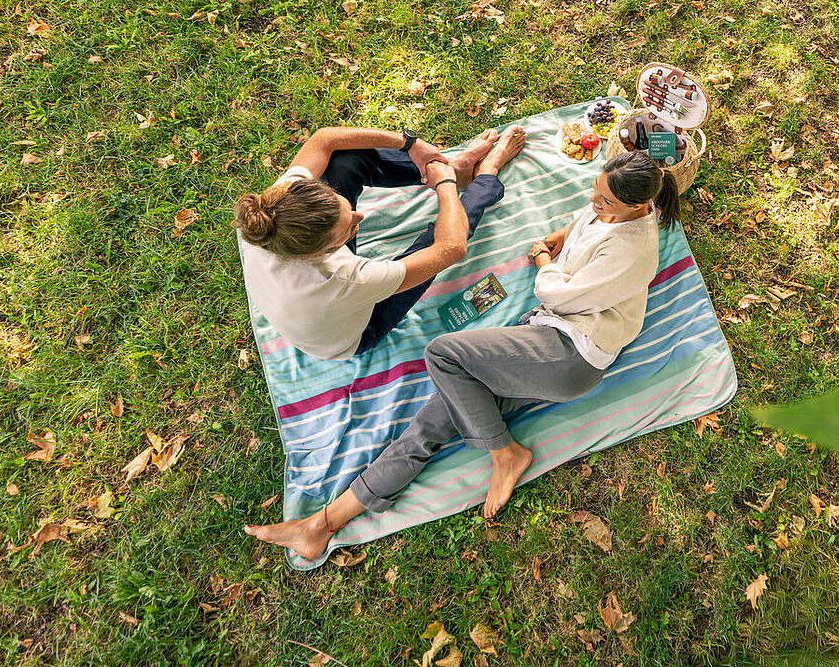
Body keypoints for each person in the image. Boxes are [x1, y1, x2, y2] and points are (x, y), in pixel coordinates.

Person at [245, 151, 682, 559]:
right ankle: (322, 525)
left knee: (444, 355)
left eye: (603, 199)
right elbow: (589, 220)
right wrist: (561, 237)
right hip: (547, 345)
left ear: (635, 206)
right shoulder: (612, 209)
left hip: (572, 353)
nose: (592, 199)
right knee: (430, 425)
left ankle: (505, 454)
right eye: (595, 190)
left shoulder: (632, 250)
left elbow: (560, 295)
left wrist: (545, 263)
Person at [235, 124, 528, 360]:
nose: (359, 216)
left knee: (343, 162)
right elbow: (451, 248)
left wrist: (410, 143)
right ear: (316, 254)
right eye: (349, 227)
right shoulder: (348, 277)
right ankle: (485, 176)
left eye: (346, 209)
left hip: (307, 303)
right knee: (434, 241)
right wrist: (445, 183)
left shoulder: (276, 211)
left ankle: (458, 166)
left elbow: (324, 139)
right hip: (359, 332)